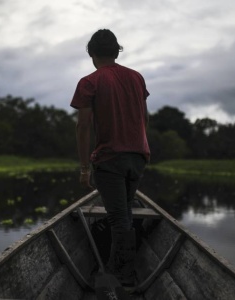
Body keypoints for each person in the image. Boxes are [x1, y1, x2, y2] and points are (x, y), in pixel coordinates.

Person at [70, 29, 150, 288]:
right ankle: (124, 270)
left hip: (110, 158)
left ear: (92, 54)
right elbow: (144, 119)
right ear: (117, 52)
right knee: (124, 210)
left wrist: (84, 168)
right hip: (138, 156)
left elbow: (83, 127)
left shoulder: (89, 81)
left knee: (119, 217)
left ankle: (121, 276)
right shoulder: (137, 78)